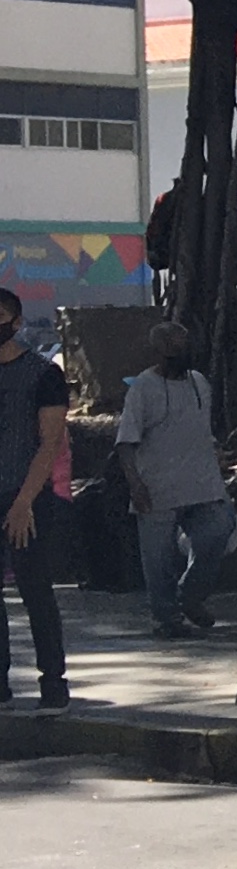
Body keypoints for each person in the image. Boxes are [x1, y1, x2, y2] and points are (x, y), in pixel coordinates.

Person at [115, 317, 237, 640]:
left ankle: (191, 595)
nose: (181, 354)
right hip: (157, 487)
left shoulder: (200, 382)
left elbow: (199, 428)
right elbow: (126, 443)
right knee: (157, 559)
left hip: (203, 483)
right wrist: (135, 484)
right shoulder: (143, 389)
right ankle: (166, 616)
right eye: (173, 349)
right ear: (159, 352)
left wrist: (216, 454)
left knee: (219, 529)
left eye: (184, 347)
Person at [0, 291, 72, 710]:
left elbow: (49, 442)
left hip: (25, 496)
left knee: (35, 591)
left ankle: (53, 680)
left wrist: (24, 501)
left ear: (17, 321)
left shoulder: (42, 374)